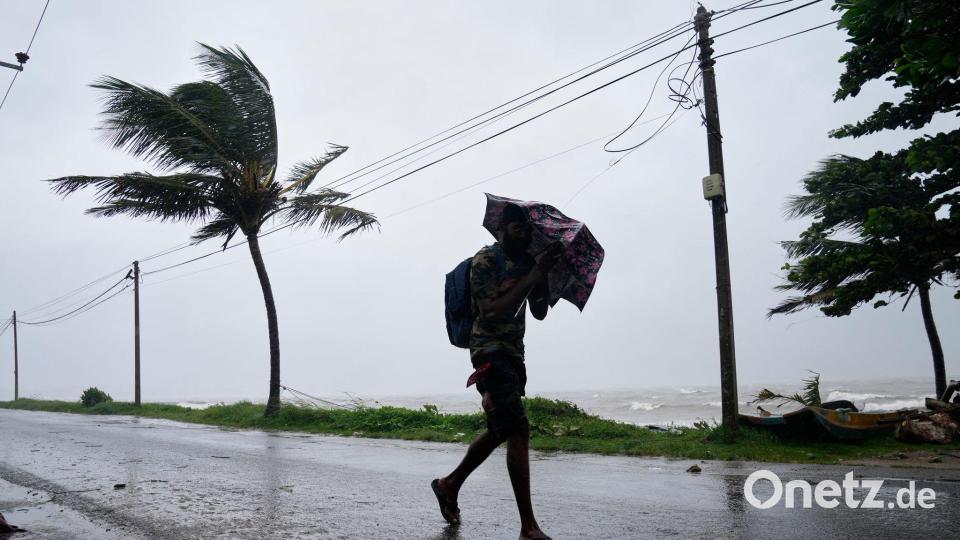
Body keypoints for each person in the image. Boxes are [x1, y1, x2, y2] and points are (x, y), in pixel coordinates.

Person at [432, 203, 561, 540]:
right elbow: (489, 311)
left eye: (529, 231)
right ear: (503, 228)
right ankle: (528, 527)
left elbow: (540, 312)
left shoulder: (527, 264)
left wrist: (543, 276)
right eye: (520, 228)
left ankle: (449, 484)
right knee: (518, 428)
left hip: (514, 355)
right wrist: (532, 276)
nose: (526, 235)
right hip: (488, 351)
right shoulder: (485, 261)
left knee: (501, 427)